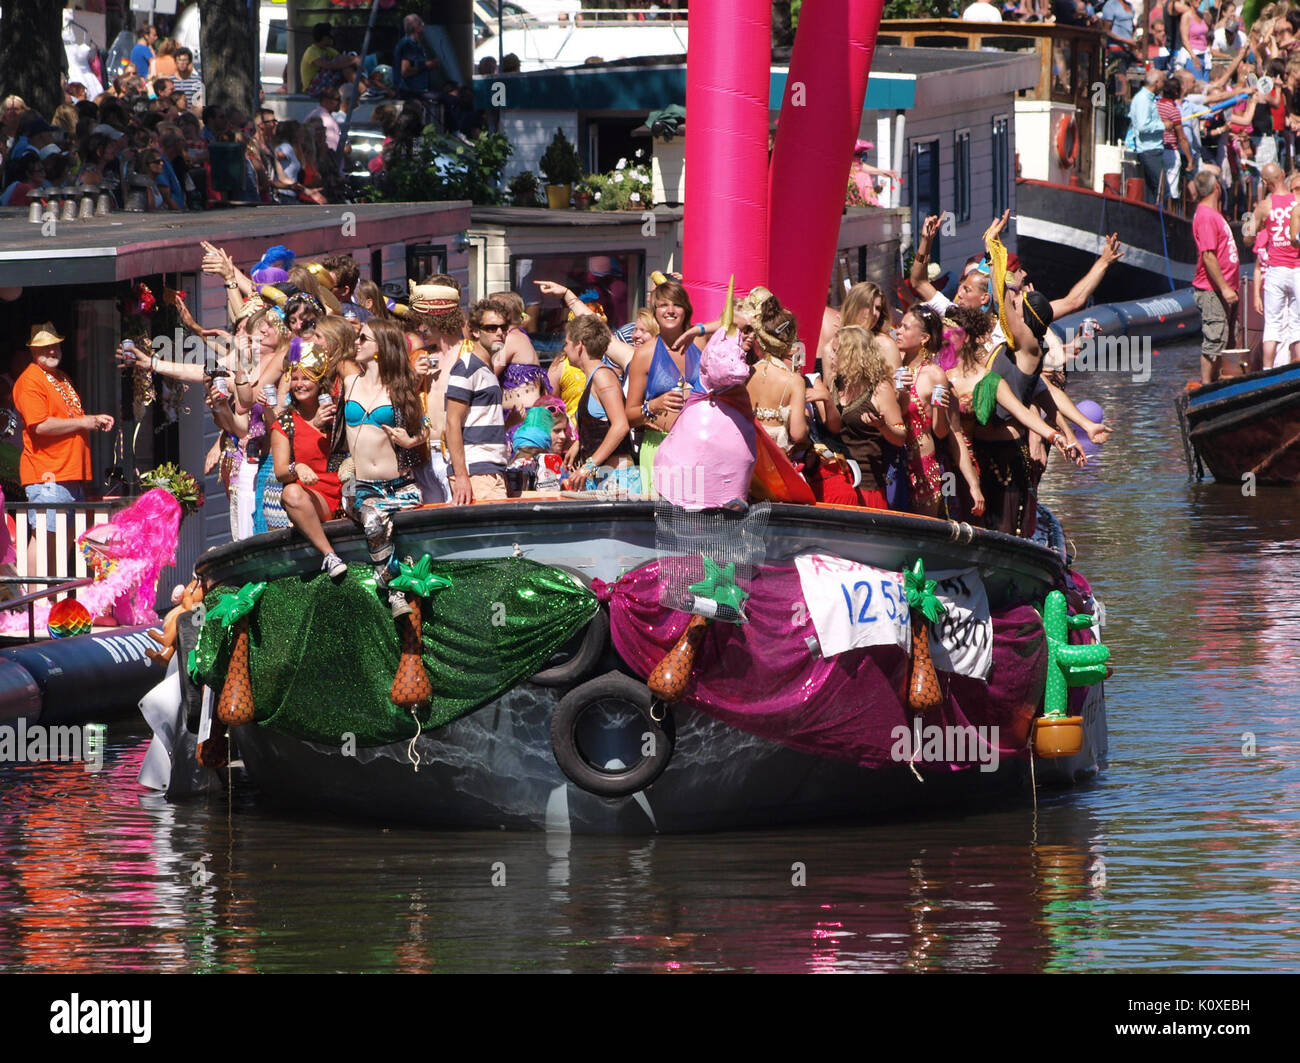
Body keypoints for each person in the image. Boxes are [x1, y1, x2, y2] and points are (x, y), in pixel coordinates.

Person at [12, 324, 115, 572]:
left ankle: (52, 600)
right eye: (45, 346)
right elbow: (40, 426)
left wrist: (89, 421)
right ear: (32, 350)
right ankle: (35, 601)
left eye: (55, 345)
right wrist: (86, 421)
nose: (52, 350)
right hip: (49, 473)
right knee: (46, 538)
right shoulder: (30, 380)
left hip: (70, 474)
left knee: (64, 541)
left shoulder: (62, 377)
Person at [344, 319, 429, 618]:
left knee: (395, 513)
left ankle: (392, 580)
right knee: (371, 519)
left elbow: (427, 426)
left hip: (397, 484)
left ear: (381, 347)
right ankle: (394, 590)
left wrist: (410, 440)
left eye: (364, 339)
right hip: (360, 483)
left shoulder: (399, 388)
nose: (357, 343)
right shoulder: (349, 382)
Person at [271, 342, 346, 579]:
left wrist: (330, 424)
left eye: (306, 378)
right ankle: (330, 555)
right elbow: (281, 472)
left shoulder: (337, 411)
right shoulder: (285, 423)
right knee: (290, 493)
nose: (299, 384)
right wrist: (298, 467)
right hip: (314, 496)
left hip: (348, 487)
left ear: (320, 380)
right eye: (294, 379)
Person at [624, 279, 704, 490]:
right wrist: (654, 405)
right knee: (661, 521)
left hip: (700, 448)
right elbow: (630, 415)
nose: (670, 310)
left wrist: (701, 329)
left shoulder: (701, 343)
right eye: (663, 305)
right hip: (660, 447)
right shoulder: (645, 354)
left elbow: (732, 325)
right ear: (655, 312)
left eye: (676, 304)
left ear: (686, 310)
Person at [563, 316, 640, 496]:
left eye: (566, 344)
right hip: (605, 478)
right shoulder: (595, 377)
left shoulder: (603, 376)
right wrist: (580, 443)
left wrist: (588, 466)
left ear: (579, 345)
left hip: (618, 480)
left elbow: (620, 425)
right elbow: (601, 422)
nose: (565, 349)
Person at [446, 299, 510, 504]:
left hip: (489, 469)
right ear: (475, 332)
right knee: (496, 535)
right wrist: (462, 475)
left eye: (503, 327)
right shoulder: (467, 366)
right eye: (491, 328)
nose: (499, 332)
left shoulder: (486, 369)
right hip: (477, 471)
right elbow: (452, 422)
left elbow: (478, 423)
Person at [1193, 169, 1240, 384]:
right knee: (1214, 339)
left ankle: (1221, 380)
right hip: (1212, 289)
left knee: (1226, 337)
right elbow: (1208, 256)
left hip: (1223, 288)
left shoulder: (1213, 214)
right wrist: (1224, 287)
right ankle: (1206, 386)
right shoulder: (1206, 216)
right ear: (1217, 188)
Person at [1253, 162, 1300, 368]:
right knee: (1298, 326)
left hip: (1276, 270)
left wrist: (1253, 224)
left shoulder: (1264, 206)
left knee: (1272, 326)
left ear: (1265, 182)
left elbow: (1248, 236)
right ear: (1283, 174)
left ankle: (1267, 372)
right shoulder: (1298, 201)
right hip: (1297, 268)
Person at [1129, 68, 1170, 204]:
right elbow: (1142, 126)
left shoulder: (1149, 99)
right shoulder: (1143, 99)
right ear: (1157, 83)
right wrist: (1164, 126)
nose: (1164, 84)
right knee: (1162, 190)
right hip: (1149, 151)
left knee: (1153, 193)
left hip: (1152, 149)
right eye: (1163, 82)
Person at [302, 23, 359, 99]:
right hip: (313, 88)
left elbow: (342, 59)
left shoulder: (328, 50)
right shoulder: (311, 51)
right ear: (324, 37)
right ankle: (362, 88)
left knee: (344, 63)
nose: (332, 39)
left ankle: (364, 89)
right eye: (330, 37)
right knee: (340, 63)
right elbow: (328, 65)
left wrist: (353, 60)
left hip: (325, 84)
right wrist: (353, 60)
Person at [395, 14, 438, 101]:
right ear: (416, 27)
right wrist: (427, 65)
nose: (424, 26)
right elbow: (405, 71)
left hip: (418, 91)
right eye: (422, 24)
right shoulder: (408, 44)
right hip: (411, 94)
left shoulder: (415, 44)